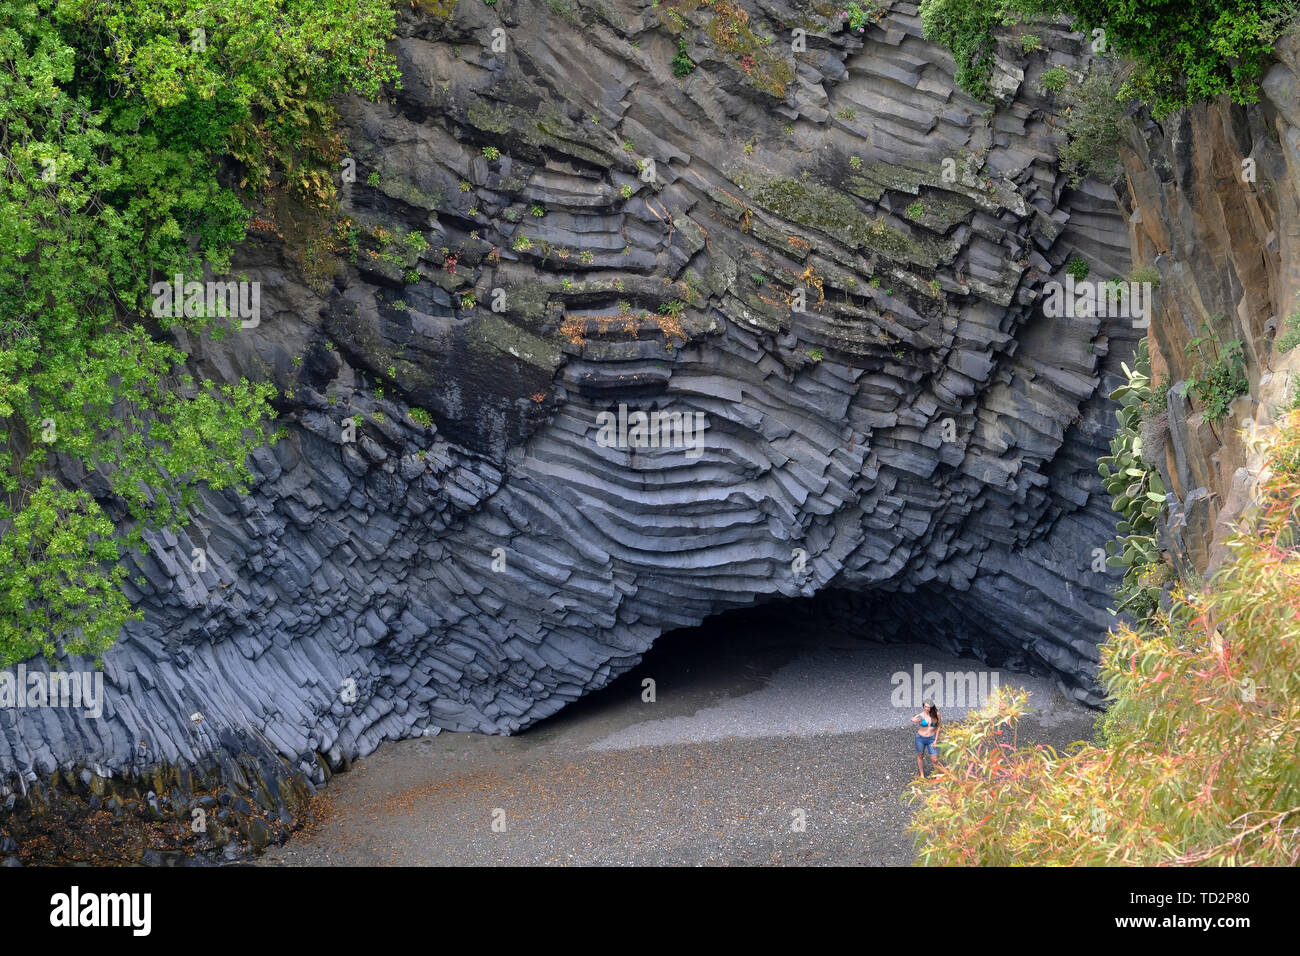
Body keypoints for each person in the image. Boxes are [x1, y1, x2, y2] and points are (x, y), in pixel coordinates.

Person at [911, 699, 941, 777]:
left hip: (931, 739)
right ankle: (922, 774)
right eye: (925, 707)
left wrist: (935, 740)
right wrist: (914, 720)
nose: (927, 709)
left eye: (928, 707)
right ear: (923, 706)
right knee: (920, 756)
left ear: (932, 707)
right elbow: (915, 718)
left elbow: (938, 727)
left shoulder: (936, 714)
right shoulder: (921, 715)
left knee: (935, 759)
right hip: (920, 738)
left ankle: (937, 774)